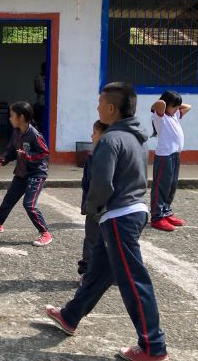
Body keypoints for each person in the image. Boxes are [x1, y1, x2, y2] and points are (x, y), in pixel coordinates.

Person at [45, 82, 168, 361]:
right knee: (100, 270)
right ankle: (70, 315)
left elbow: (102, 184)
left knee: (134, 282)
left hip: (118, 216)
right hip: (131, 212)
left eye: (100, 103)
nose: (98, 107)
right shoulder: (137, 137)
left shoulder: (110, 140)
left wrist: (92, 208)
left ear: (111, 108)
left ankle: (153, 346)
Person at [0, 101, 53, 247]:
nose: (10, 119)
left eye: (12, 116)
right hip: (21, 173)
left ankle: (45, 232)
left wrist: (28, 156)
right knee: (9, 199)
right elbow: (12, 150)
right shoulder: (16, 132)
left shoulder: (34, 134)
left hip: (36, 174)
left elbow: (45, 153)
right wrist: (4, 159)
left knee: (29, 204)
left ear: (21, 117)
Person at [149, 90, 191, 232]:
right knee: (161, 186)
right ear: (167, 105)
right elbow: (159, 104)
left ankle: (166, 211)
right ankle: (157, 216)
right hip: (164, 156)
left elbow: (188, 106)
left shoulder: (174, 115)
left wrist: (176, 105)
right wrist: (165, 104)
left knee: (171, 186)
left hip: (174, 155)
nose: (177, 109)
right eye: (174, 106)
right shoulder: (159, 116)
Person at [77, 120, 109, 285]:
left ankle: (91, 272)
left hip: (100, 207)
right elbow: (86, 184)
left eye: (94, 133)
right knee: (94, 239)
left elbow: (94, 184)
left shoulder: (102, 157)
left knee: (95, 240)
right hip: (96, 207)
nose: (91, 136)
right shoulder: (93, 157)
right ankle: (88, 271)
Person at [33, 62, 47, 132]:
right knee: (41, 120)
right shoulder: (38, 77)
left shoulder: (50, 76)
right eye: (44, 68)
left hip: (49, 103)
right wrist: (46, 92)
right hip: (41, 102)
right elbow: (36, 89)